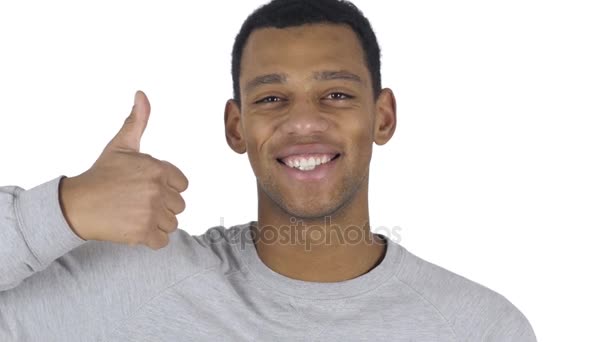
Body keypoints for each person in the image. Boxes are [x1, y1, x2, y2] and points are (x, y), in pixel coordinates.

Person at [0, 0, 536, 340]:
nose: (304, 121)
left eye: (336, 93)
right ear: (237, 127)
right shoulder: (134, 284)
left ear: (383, 116)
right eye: (273, 97)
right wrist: (62, 210)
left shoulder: (480, 327)